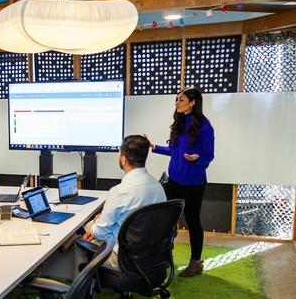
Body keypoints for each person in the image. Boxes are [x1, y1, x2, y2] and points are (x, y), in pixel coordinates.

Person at [75, 135, 166, 272]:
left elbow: (100, 233)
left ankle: (82, 289)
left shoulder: (119, 191)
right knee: (95, 227)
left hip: (123, 259)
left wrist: (97, 225)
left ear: (123, 159)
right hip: (152, 256)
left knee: (79, 237)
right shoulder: (158, 186)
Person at [149, 87, 215, 277]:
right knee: (167, 220)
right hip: (174, 181)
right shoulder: (178, 122)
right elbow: (173, 151)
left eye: (181, 100)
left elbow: (209, 154)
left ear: (193, 102)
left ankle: (195, 263)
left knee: (193, 221)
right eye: (177, 100)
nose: (177, 103)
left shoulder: (204, 126)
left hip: (194, 183)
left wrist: (197, 157)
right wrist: (154, 147)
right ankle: (162, 258)